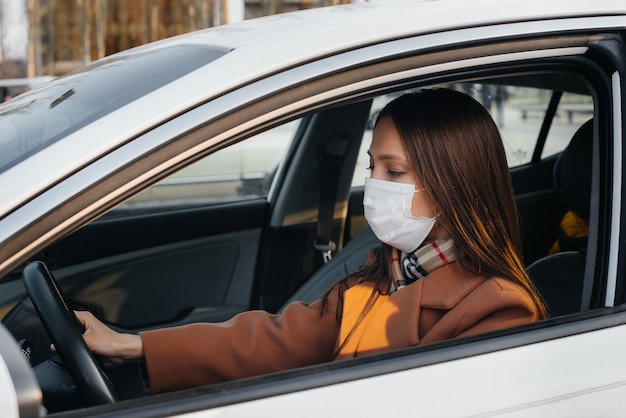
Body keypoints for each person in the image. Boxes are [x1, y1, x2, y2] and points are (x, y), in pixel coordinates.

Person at [75, 88, 547, 394]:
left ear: (453, 183)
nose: (375, 185)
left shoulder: (498, 309)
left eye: (394, 171)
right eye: (372, 168)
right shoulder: (389, 271)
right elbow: (277, 340)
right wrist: (133, 346)